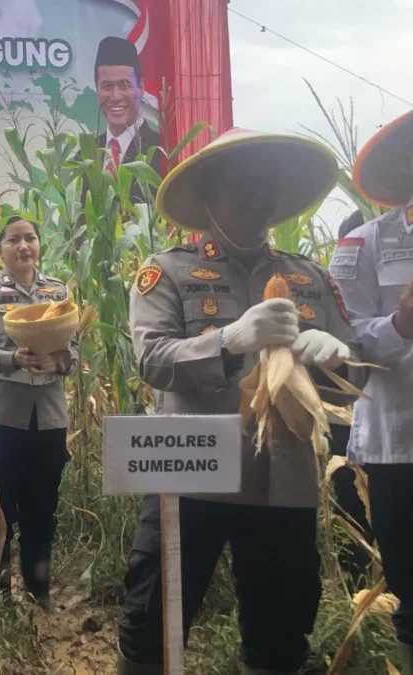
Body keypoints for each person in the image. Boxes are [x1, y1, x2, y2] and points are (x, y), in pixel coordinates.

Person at [116, 128, 367, 675]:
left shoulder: (310, 278)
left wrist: (335, 359)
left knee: (281, 634)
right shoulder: (168, 272)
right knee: (153, 625)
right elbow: (153, 360)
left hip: (284, 471)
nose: (260, 195)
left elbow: (353, 373)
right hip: (187, 460)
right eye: (245, 182)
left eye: (269, 185)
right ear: (208, 191)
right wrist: (229, 341)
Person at [337, 109, 413, 673]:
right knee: (410, 588)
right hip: (398, 447)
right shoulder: (362, 245)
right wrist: (400, 326)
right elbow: (344, 345)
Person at [0, 217, 77, 609]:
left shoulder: (57, 291)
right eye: (13, 240)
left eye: (31, 238)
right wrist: (11, 358)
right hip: (3, 418)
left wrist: (61, 363)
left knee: (43, 507)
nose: (24, 246)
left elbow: (76, 348)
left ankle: (40, 591)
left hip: (49, 418)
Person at [327, 209, 373, 592]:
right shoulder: (330, 291)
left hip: (361, 421)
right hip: (345, 419)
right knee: (352, 507)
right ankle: (360, 596)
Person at [94, 36, 164, 182]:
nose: (115, 96)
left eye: (124, 85)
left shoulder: (162, 153)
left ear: (141, 88)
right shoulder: (86, 156)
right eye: (107, 86)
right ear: (97, 91)